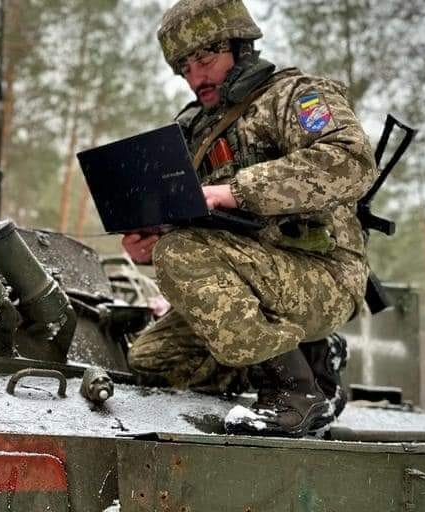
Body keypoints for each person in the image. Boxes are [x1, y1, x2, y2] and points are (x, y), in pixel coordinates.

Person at [124, 0, 377, 437]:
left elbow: (350, 161)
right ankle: (310, 353)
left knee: (179, 254)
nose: (196, 77)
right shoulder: (196, 128)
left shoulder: (294, 96)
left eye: (205, 59)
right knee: (153, 359)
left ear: (240, 47)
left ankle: (295, 392)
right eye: (184, 68)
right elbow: (198, 221)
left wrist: (236, 191)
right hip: (251, 280)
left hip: (324, 274)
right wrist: (150, 239)